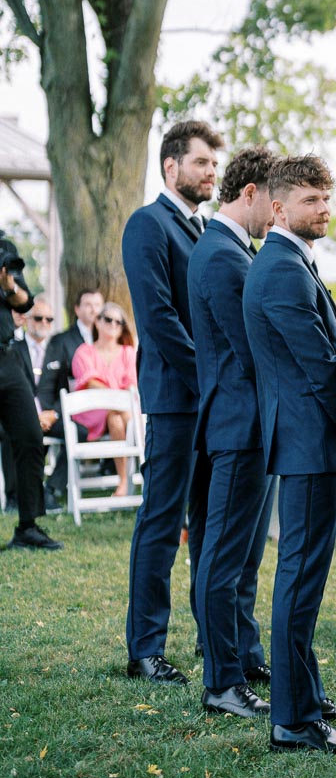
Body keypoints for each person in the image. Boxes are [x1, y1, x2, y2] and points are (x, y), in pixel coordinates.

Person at [243, 155, 336, 754]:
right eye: (310, 200)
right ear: (277, 208)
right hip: (307, 442)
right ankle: (293, 720)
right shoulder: (283, 269)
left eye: (325, 198)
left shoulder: (288, 263)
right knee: (299, 579)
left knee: (304, 577)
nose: (322, 209)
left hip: (305, 440)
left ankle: (305, 695)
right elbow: (320, 366)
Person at [122, 118, 224, 684]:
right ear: (171, 167)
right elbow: (158, 319)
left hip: (215, 404)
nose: (212, 172)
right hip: (174, 399)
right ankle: (145, 648)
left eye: (214, 164)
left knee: (210, 522)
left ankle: (215, 641)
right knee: (162, 521)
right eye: (202, 163)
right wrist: (211, 380)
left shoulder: (208, 229)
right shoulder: (147, 224)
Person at [187, 146, 277, 720]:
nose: (277, 215)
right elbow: (250, 352)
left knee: (242, 560)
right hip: (238, 424)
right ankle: (221, 681)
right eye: (274, 201)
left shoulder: (229, 249)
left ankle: (243, 657)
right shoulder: (222, 256)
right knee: (221, 559)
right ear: (250, 194)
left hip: (249, 425)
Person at [0, 234, 62, 549]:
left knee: (29, 435)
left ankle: (27, 526)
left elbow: (24, 302)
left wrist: (9, 285)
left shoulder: (4, 247)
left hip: (6, 357)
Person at [37, 288, 104, 502]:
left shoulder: (107, 338)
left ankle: (111, 474)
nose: (93, 309)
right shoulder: (61, 341)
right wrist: (52, 413)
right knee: (77, 432)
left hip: (103, 411)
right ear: (76, 309)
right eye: (88, 304)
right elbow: (49, 384)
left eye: (97, 305)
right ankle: (51, 489)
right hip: (67, 411)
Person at [71, 303, 138, 496]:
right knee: (117, 413)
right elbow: (90, 381)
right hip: (93, 411)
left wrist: (117, 399)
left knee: (116, 418)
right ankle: (138, 464)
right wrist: (115, 397)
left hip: (120, 412)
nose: (113, 324)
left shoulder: (128, 352)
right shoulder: (84, 351)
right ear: (97, 323)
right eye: (108, 319)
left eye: (119, 322)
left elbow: (131, 383)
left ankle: (123, 482)